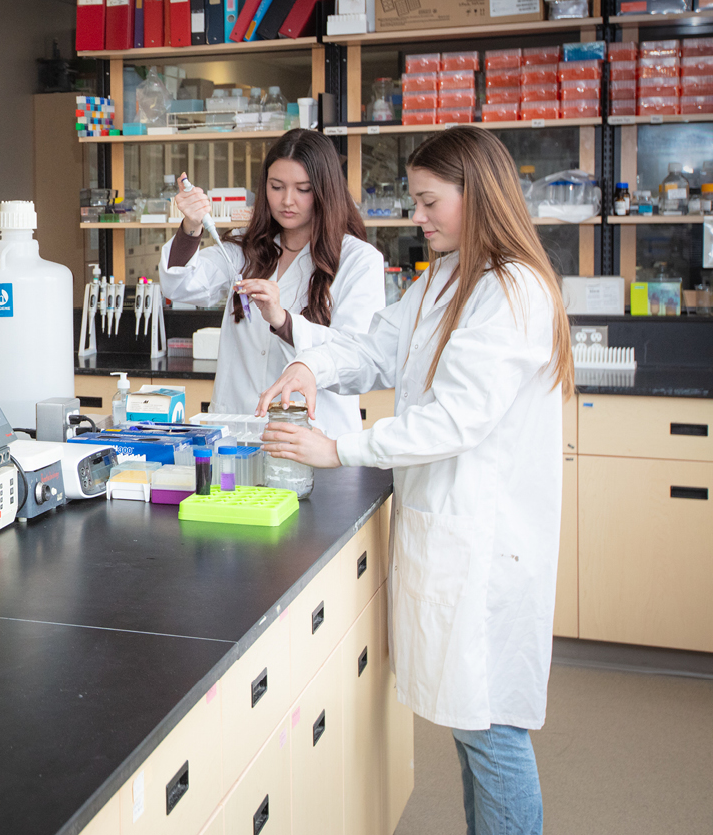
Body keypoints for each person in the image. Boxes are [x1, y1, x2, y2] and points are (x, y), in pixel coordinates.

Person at [256, 126, 572, 834]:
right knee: (473, 733)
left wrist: (339, 447)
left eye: (430, 203)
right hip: (450, 531)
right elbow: (374, 350)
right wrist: (311, 365)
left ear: (479, 196)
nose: (418, 218)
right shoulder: (448, 280)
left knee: (491, 736)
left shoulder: (511, 291)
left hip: (487, 546)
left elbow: (456, 420)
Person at [158, 129, 385, 438]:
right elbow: (179, 285)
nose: (286, 200)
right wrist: (192, 226)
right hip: (238, 429)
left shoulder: (358, 260)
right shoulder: (244, 248)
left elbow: (356, 357)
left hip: (314, 436)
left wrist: (283, 321)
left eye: (303, 189)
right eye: (276, 187)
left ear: (325, 190)